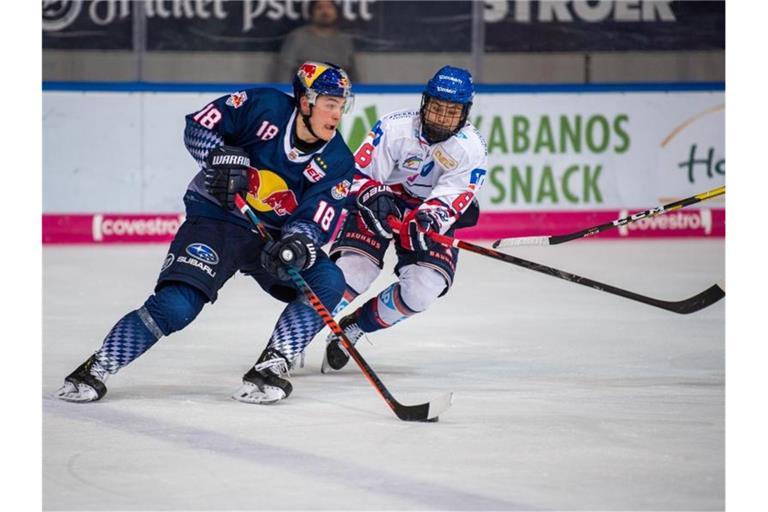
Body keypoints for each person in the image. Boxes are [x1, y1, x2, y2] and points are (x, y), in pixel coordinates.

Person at [57, 61, 356, 405]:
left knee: (328, 280)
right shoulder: (265, 107)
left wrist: (298, 243)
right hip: (219, 218)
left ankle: (272, 366)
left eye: (341, 105)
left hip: (272, 240)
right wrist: (217, 158)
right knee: (177, 306)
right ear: (305, 101)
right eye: (329, 104)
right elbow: (199, 125)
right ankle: (96, 368)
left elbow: (315, 219)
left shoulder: (337, 160)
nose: (336, 114)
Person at [321, 65, 488, 373]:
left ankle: (354, 327)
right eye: (436, 107)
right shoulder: (394, 127)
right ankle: (292, 341)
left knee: (422, 291)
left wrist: (429, 219)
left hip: (425, 212)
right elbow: (356, 176)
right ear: (424, 102)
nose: (440, 118)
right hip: (384, 201)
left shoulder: (471, 148)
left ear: (465, 113)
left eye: (451, 112)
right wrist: (373, 195)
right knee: (351, 275)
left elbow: (452, 196)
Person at [275, 0, 358, 83]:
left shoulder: (344, 40)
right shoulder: (298, 37)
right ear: (311, 13)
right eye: (319, 8)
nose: (325, 12)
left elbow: (354, 75)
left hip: (338, 92)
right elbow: (284, 71)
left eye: (329, 7)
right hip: (306, 92)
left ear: (336, 12)